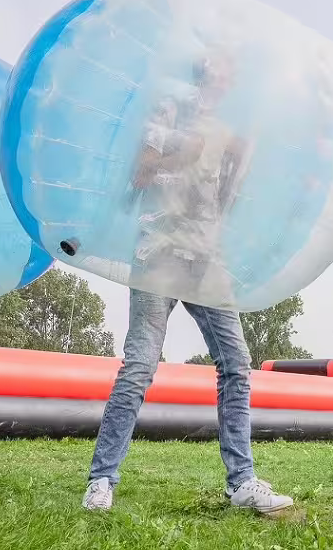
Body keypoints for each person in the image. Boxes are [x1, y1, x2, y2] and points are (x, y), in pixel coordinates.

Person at [82, 55, 293, 515]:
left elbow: (223, 203)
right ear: (204, 70)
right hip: (157, 252)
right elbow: (136, 178)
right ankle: (101, 481)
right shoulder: (167, 112)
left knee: (237, 364)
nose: (228, 74)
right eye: (221, 64)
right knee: (140, 365)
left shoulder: (226, 129)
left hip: (205, 257)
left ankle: (242, 482)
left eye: (232, 69)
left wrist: (240, 160)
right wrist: (187, 151)